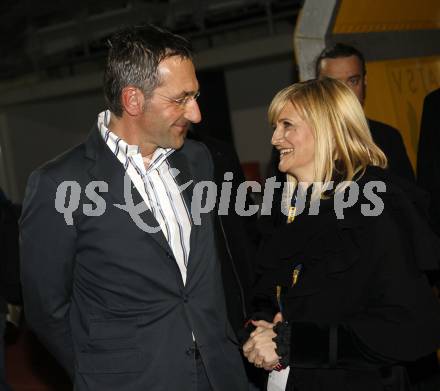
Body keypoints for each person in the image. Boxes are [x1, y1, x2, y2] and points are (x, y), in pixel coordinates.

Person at [20, 24, 248, 391]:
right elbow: (47, 310)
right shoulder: (59, 184)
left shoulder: (197, 159)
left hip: (220, 376)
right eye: (181, 99)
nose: (196, 114)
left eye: (196, 96)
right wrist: (98, 372)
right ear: (133, 101)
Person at [242, 78, 440, 391]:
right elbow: (270, 292)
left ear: (326, 130)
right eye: (275, 126)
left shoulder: (375, 206)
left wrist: (293, 342)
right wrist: (263, 328)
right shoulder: (286, 206)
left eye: (287, 125)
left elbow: (410, 329)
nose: (276, 138)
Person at [315, 43, 414, 182]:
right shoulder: (299, 140)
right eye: (335, 85)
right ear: (319, 88)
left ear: (364, 82)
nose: (346, 93)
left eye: (353, 81)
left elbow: (413, 199)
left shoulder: (389, 138)